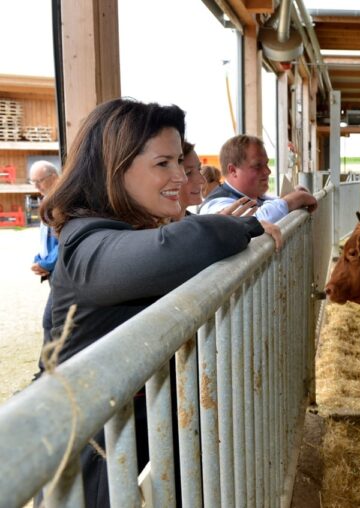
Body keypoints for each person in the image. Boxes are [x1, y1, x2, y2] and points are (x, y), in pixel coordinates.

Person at [39, 97, 280, 507]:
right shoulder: (86, 241)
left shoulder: (122, 230)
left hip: (133, 435)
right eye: (163, 164)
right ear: (115, 168)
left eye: (180, 164)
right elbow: (184, 245)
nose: (181, 177)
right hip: (92, 451)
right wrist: (246, 225)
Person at [198, 134, 317, 222]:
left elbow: (270, 204)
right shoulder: (215, 205)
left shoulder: (255, 198)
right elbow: (252, 221)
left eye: (266, 164)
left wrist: (291, 194)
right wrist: (293, 200)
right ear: (233, 170)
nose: (267, 171)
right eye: (257, 166)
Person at [29, 160, 60, 370]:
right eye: (33, 182)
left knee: (51, 321)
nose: (36, 187)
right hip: (52, 270)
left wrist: (47, 263)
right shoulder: (49, 200)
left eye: (39, 181)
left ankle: (46, 370)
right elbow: (47, 240)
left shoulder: (60, 202)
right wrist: (38, 259)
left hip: (60, 272)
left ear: (53, 177)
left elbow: (66, 239)